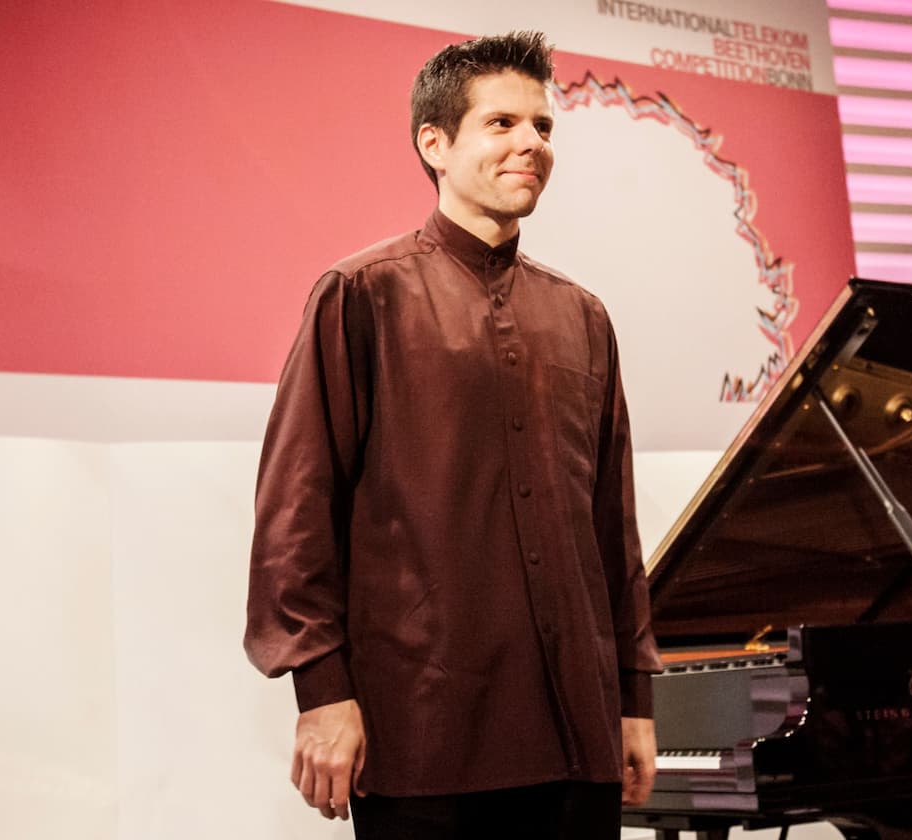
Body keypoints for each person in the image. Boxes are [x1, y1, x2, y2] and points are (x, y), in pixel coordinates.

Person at [244, 30, 660, 839]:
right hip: (423, 738)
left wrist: (635, 700)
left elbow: (614, 526)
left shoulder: (584, 317)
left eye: (543, 127)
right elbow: (297, 509)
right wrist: (321, 693)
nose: (531, 144)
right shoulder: (360, 294)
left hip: (580, 741)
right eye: (502, 124)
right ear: (434, 143)